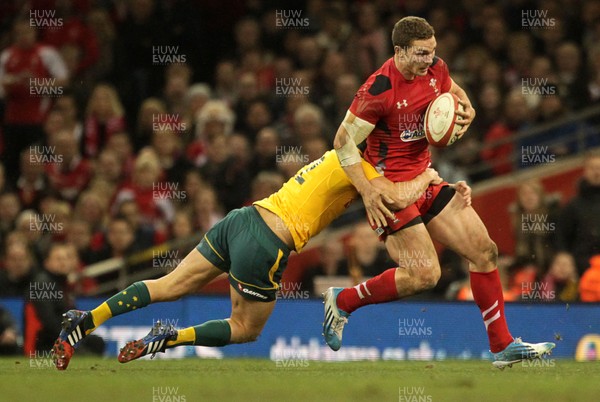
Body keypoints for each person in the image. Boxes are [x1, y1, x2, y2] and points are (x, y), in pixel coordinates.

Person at [52, 149, 443, 370]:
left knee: (167, 285)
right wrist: (429, 178)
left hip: (243, 218)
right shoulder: (368, 169)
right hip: (268, 242)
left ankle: (85, 322)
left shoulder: (339, 153)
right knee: (246, 328)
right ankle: (171, 338)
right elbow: (398, 197)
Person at [324, 16, 554, 369]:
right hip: (390, 190)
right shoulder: (378, 91)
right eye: (420, 54)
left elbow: (453, 91)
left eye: (432, 52)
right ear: (399, 51)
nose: (428, 60)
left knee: (484, 251)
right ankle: (344, 302)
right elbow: (342, 143)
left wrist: (468, 107)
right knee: (425, 275)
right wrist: (368, 192)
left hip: (426, 180)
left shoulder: (436, 69)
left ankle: (502, 346)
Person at [556, 151, 600, 275]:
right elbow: (562, 238)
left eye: (599, 168)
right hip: (585, 269)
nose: (596, 172)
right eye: (592, 168)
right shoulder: (572, 206)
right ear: (585, 171)